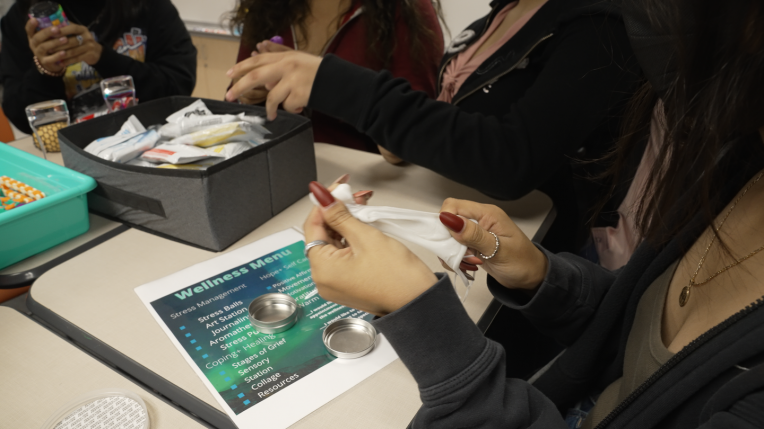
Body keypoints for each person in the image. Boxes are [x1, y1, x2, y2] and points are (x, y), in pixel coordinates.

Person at [300, 0, 764, 426]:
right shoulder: (739, 172)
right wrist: (543, 276)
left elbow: (510, 156)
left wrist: (424, 323)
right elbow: (642, 337)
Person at [226, 0, 642, 255]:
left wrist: (337, 86)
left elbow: (512, 159)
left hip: (537, 256)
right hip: (444, 224)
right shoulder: (500, 15)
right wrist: (403, 138)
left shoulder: (601, 23)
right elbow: (453, 117)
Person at [227, 0, 444, 154]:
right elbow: (234, 101)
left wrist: (330, 87)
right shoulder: (263, 7)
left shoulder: (407, 9)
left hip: (363, 188)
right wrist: (247, 94)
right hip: (278, 170)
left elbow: (417, 133)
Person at [0, 0, 197, 133]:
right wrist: (46, 71)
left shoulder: (150, 6)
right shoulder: (23, 15)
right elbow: (23, 120)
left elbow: (178, 87)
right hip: (66, 157)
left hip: (150, 141)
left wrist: (102, 57)